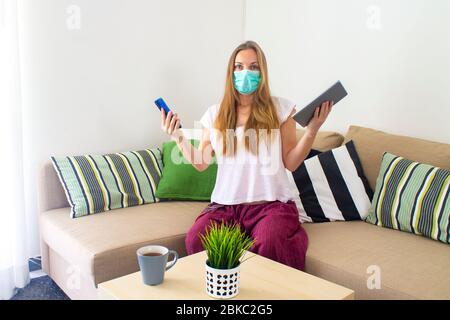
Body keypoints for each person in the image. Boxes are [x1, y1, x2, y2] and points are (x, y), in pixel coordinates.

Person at [160, 40, 332, 271]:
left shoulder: (280, 109)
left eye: (253, 66)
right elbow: (201, 163)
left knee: (270, 242)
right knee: (196, 240)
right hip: (225, 207)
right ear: (231, 72)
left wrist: (312, 130)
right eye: (239, 67)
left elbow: (291, 163)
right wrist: (178, 136)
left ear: (262, 72)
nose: (245, 73)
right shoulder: (215, 114)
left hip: (270, 206)